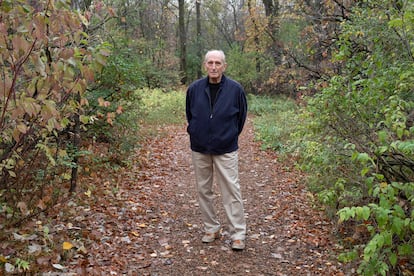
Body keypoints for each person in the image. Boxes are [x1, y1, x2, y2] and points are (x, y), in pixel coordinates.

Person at [185, 50, 247, 250]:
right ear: (205, 65)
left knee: (231, 190)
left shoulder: (235, 90)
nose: (214, 67)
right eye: (210, 63)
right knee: (204, 190)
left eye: (217, 63)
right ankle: (211, 228)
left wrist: (228, 136)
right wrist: (196, 132)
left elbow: (241, 118)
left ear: (224, 66)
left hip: (226, 148)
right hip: (200, 148)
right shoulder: (194, 89)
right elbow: (190, 114)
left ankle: (237, 233)